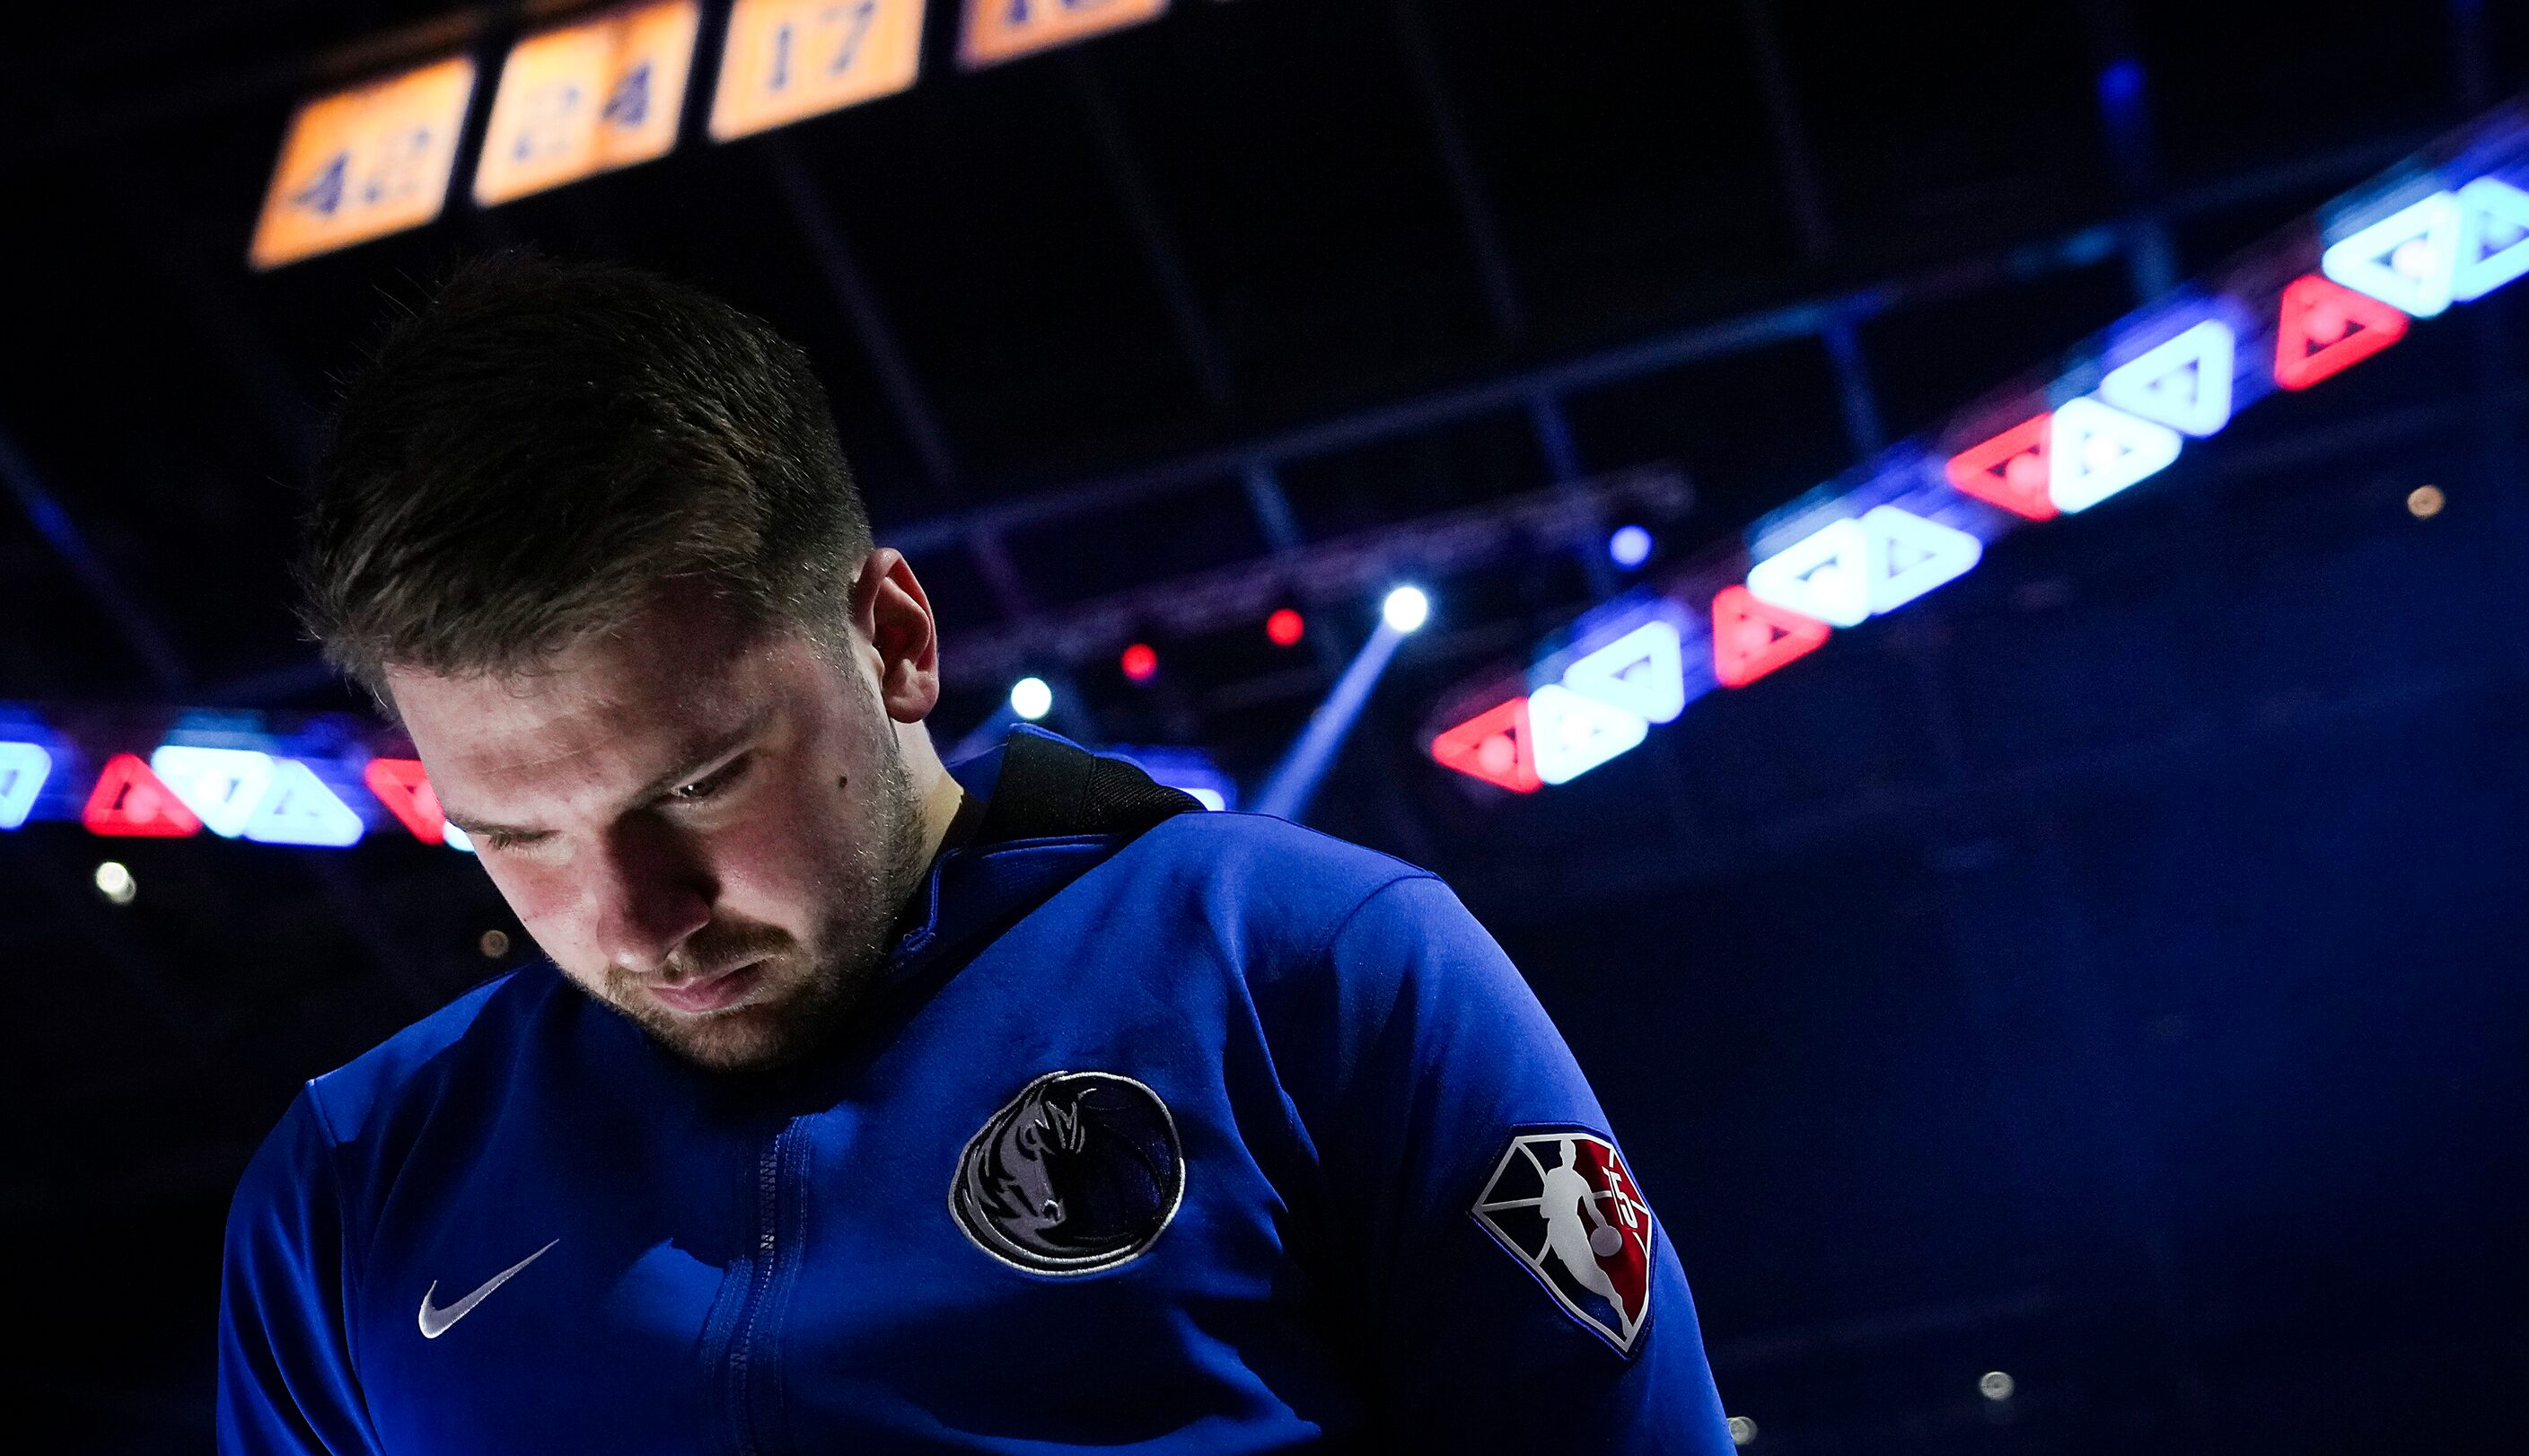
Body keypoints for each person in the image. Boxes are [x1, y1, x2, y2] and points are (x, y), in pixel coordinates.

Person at [218, 254, 1737, 1452]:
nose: (633, 920)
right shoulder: (349, 1185)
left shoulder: (1311, 967)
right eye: (517, 836)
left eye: (698, 782)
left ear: (892, 637)